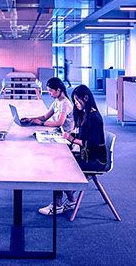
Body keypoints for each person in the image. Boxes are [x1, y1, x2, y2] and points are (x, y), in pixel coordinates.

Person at [39, 84, 108, 216]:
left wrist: (71, 139)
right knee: (59, 160)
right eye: (74, 101)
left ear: (86, 98)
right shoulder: (87, 114)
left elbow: (92, 144)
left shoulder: (94, 118)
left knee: (60, 166)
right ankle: (71, 200)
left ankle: (58, 204)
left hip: (95, 160)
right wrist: (70, 136)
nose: (76, 104)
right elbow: (84, 136)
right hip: (87, 155)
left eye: (77, 100)